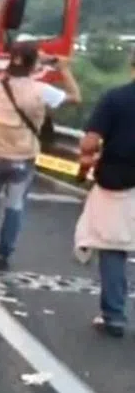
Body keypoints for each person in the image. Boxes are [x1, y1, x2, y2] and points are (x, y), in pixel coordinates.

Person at [0, 40, 80, 271]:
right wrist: (63, 68)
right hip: (22, 159)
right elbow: (75, 97)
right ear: (33, 64)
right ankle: (2, 257)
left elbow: (20, 64)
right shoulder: (41, 91)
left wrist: (37, 59)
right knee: (14, 207)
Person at [75, 48, 135, 336]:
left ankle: (114, 316)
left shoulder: (115, 98)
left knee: (113, 248)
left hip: (119, 183)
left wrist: (89, 159)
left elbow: (89, 142)